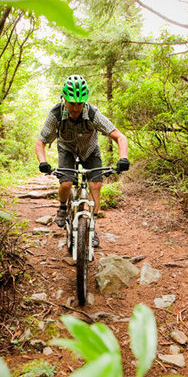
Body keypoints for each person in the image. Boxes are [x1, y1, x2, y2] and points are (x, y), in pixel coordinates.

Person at [34, 74, 130, 248]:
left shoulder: (92, 113)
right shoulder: (56, 114)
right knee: (66, 183)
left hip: (90, 150)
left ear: (84, 101)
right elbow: (41, 141)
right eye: (72, 103)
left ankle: (91, 226)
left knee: (96, 185)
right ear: (64, 99)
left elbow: (119, 136)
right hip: (67, 149)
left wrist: (123, 158)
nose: (76, 108)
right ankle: (63, 207)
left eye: (80, 103)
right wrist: (43, 162)